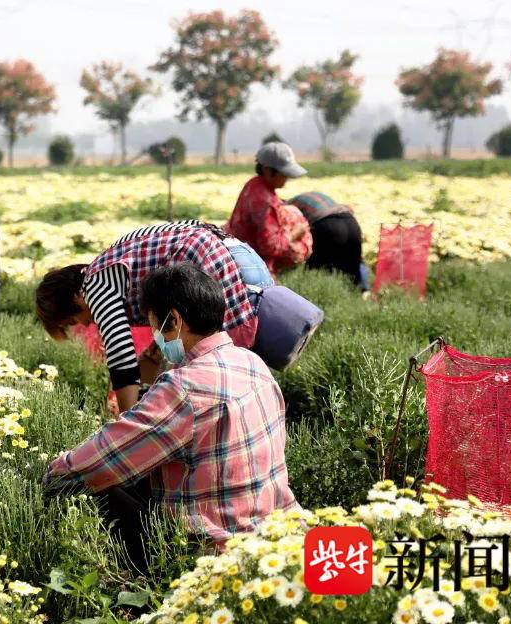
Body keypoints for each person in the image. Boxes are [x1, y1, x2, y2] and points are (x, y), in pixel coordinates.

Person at [43, 262, 298, 568]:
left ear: (173, 320)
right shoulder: (252, 363)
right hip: (278, 534)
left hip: (212, 558)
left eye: (154, 325)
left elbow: (102, 458)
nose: (154, 336)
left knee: (90, 488)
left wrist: (50, 474)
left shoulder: (184, 388)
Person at [35, 220, 257, 413]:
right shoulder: (104, 268)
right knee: (198, 357)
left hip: (197, 259)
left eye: (73, 320)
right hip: (208, 249)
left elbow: (122, 359)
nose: (84, 323)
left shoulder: (95, 286)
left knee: (212, 361)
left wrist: (126, 424)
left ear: (72, 298)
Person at [226, 141, 313, 275]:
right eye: (283, 174)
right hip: (252, 263)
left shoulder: (254, 184)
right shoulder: (266, 202)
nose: (286, 178)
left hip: (238, 247)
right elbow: (270, 247)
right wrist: (295, 233)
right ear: (268, 170)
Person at [287, 191, 368, 291]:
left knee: (315, 271)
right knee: (353, 270)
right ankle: (364, 293)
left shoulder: (286, 208)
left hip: (327, 226)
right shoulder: (305, 197)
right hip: (351, 222)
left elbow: (291, 236)